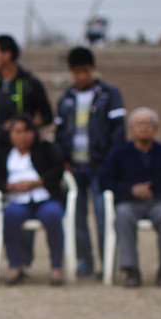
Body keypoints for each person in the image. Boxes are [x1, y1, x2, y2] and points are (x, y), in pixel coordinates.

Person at [100, 107, 161, 287]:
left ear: (156, 128)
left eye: (148, 124)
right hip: (129, 202)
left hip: (159, 202)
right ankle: (131, 270)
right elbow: (104, 182)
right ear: (131, 128)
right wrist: (131, 190)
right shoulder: (119, 153)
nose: (144, 128)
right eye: (139, 124)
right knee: (123, 215)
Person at [54, 46, 126, 277]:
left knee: (103, 215)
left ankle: (107, 263)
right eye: (76, 71)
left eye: (85, 71)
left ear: (92, 69)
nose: (81, 76)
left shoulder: (108, 94)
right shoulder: (66, 98)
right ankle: (84, 260)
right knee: (77, 217)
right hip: (74, 166)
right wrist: (63, 159)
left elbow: (118, 131)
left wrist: (112, 161)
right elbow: (59, 133)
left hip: (101, 166)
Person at [0, 114, 65, 286]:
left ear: (34, 132)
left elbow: (58, 170)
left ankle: (56, 267)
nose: (22, 136)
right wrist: (11, 186)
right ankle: (15, 266)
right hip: (17, 199)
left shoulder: (45, 149)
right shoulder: (4, 154)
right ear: (11, 134)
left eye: (26, 131)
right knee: (10, 215)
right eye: (17, 131)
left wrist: (38, 182)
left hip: (44, 197)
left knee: (53, 215)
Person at [0, 34, 53, 163]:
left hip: (27, 156)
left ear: (7, 55)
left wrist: (21, 128)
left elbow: (47, 116)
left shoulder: (30, 83)